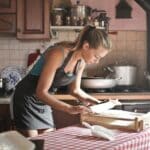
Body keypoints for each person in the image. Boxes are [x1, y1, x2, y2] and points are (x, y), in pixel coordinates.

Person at [13, 25, 112, 137]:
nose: (97, 61)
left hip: (44, 100)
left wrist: (100, 104)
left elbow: (75, 90)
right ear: (86, 46)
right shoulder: (58, 53)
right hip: (27, 98)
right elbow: (41, 92)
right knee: (33, 143)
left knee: (48, 140)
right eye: (96, 56)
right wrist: (69, 108)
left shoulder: (81, 62)